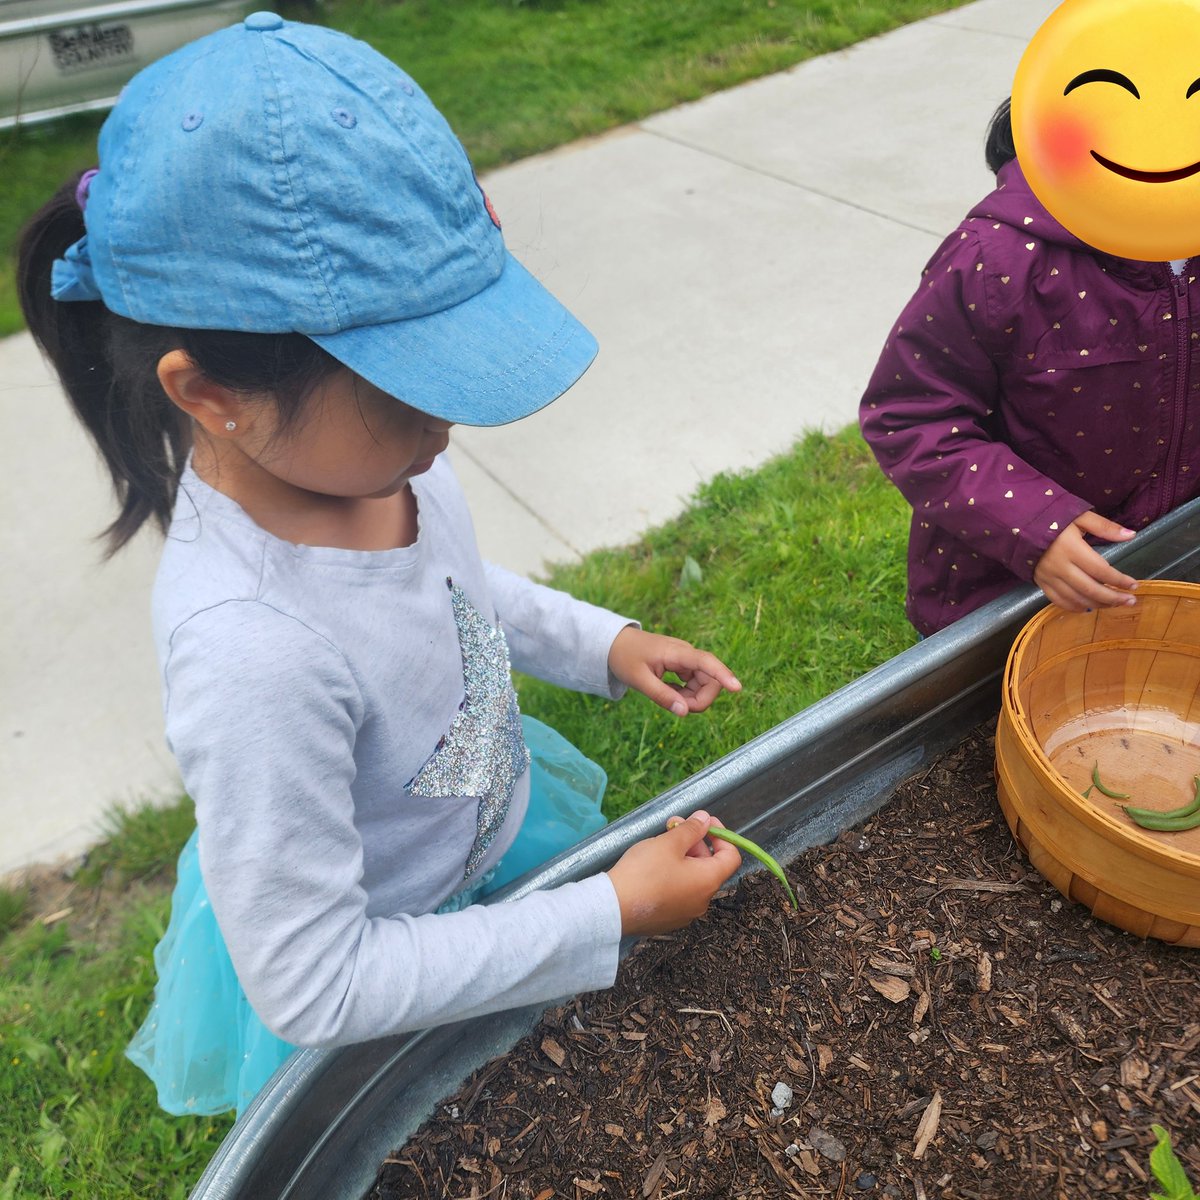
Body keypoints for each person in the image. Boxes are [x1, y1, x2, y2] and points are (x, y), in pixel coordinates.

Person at [18, 13, 743, 1118]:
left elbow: (454, 596)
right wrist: (608, 915)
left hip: (480, 842)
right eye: (406, 388)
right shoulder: (252, 653)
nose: (446, 417)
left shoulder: (384, 470)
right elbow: (320, 980)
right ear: (209, 394)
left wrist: (605, 643)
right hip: (382, 946)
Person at [857, 97, 1200, 637]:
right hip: (1009, 591)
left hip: (1173, 566)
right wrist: (1031, 525)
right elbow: (910, 414)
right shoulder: (993, 262)